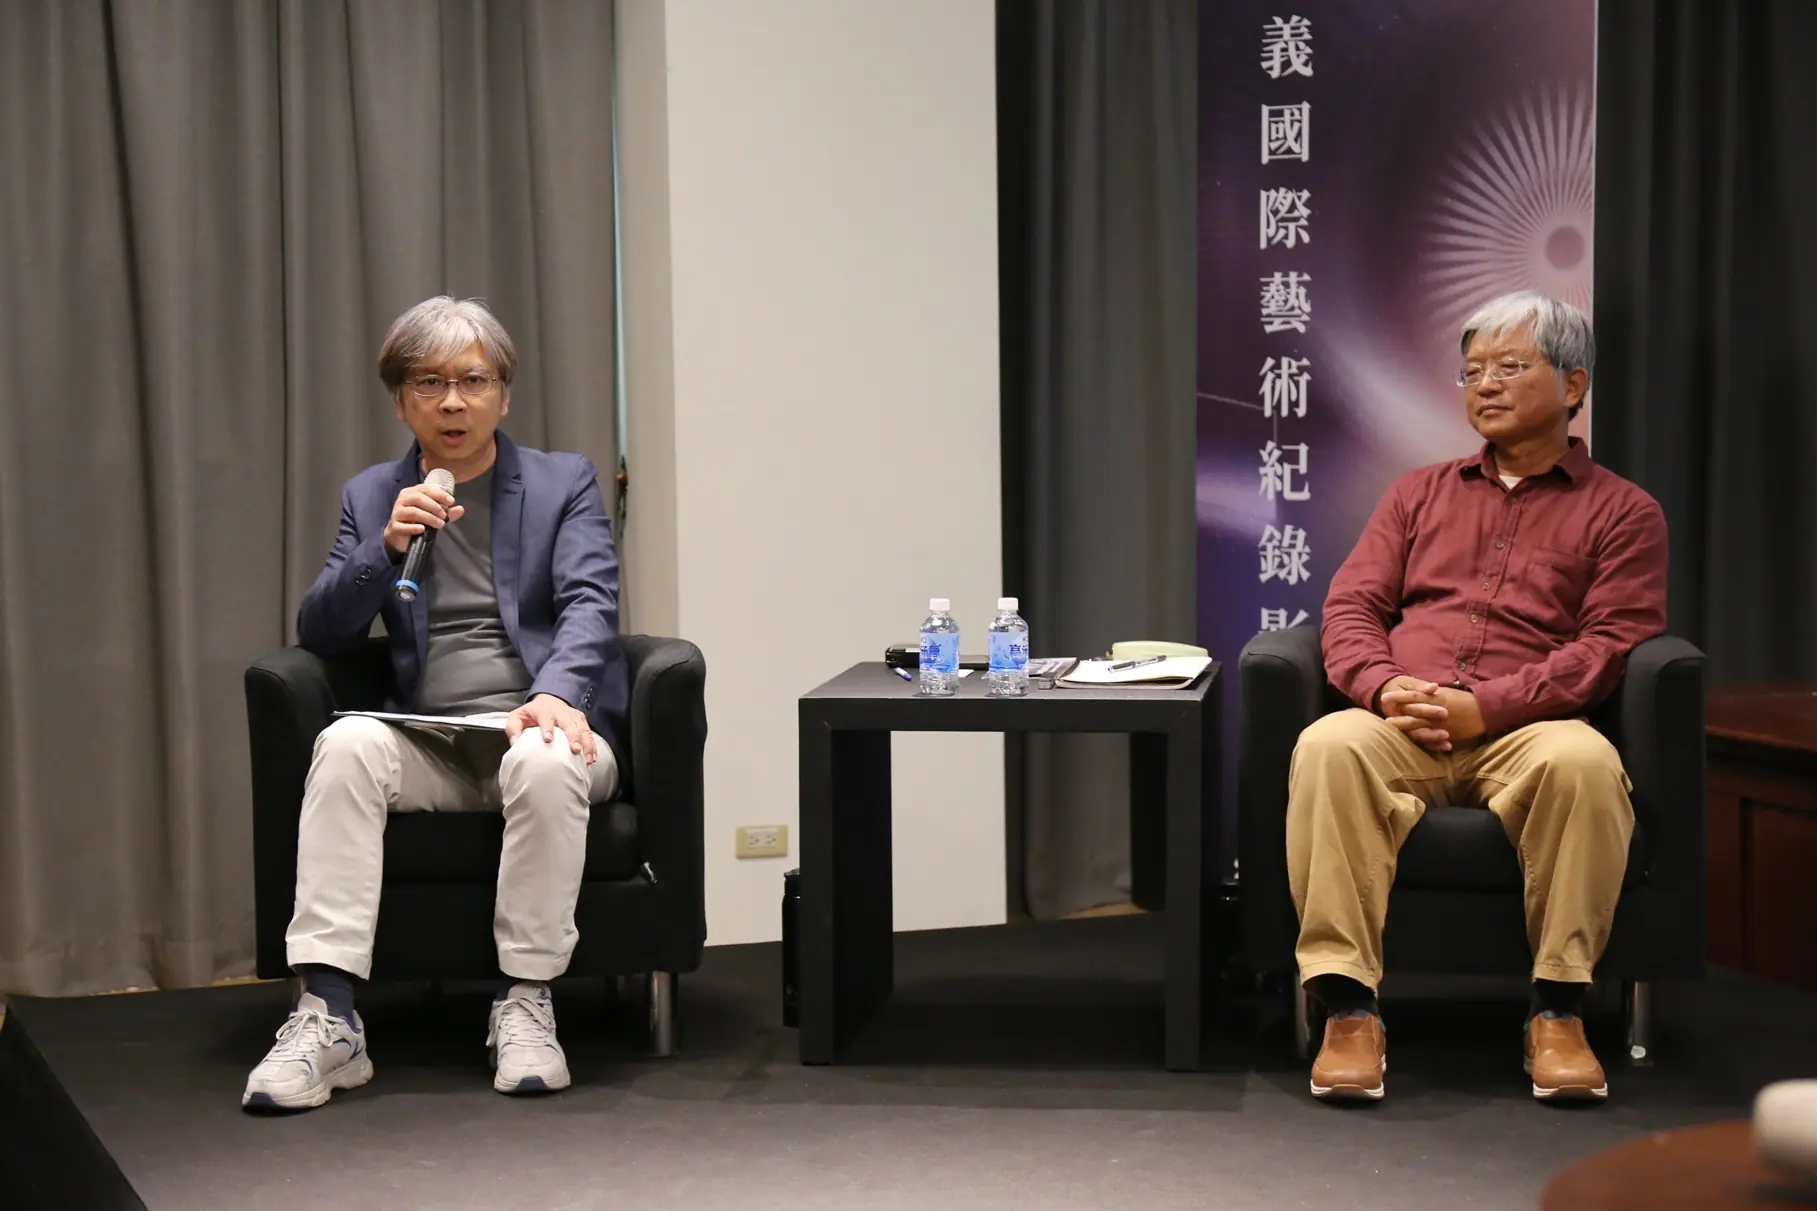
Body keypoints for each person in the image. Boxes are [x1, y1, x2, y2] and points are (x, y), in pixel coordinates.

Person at [242, 297, 627, 1110]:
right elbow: (322, 630)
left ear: (503, 395)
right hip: (434, 738)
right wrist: (383, 548)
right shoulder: (374, 492)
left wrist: (558, 692)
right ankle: (329, 1016)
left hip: (541, 728)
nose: (452, 402)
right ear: (400, 400)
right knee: (344, 744)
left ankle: (524, 1001)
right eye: (429, 383)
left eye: (472, 381)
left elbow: (591, 602)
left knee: (544, 756)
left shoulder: (562, 481)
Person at [1290, 291, 1667, 1104]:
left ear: (1572, 384)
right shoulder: (1415, 494)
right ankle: (1347, 1009)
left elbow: (1608, 644)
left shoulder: (1623, 511)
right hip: (1405, 718)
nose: (1484, 385)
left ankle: (1557, 1012)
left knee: (1585, 763)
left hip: (1529, 728)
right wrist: (1382, 685)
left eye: (1508, 366)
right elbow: (1350, 606)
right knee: (1327, 744)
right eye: (1471, 371)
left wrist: (1487, 707)